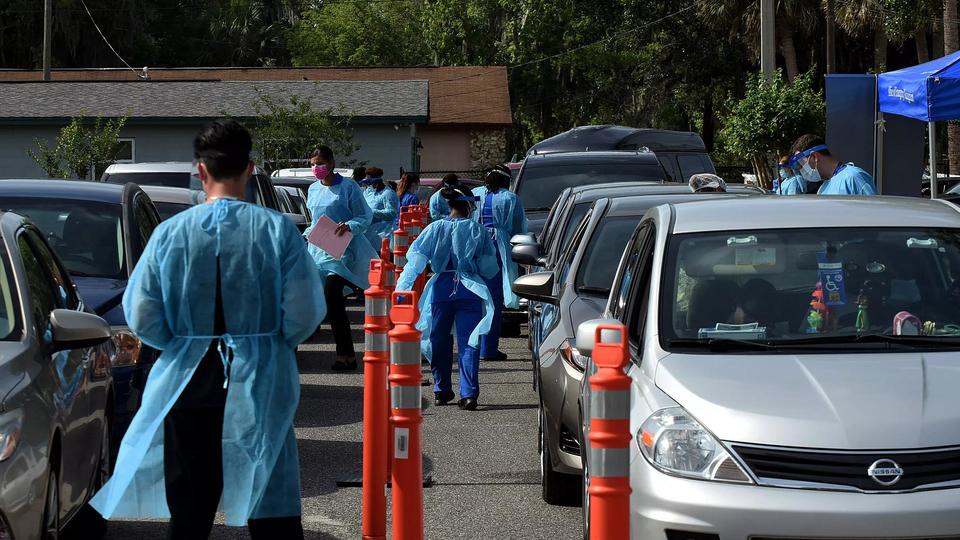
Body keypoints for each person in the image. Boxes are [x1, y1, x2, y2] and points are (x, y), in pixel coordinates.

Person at [90, 119, 325, 539]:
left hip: (187, 381)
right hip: (260, 378)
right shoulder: (276, 231)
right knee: (272, 509)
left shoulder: (170, 234)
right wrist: (269, 342)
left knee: (191, 511)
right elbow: (305, 312)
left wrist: (183, 344)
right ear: (250, 169)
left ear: (200, 171)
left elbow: (142, 314)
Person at [397, 186, 499, 410]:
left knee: (439, 340)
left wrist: (401, 289)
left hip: (441, 289)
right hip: (470, 290)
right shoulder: (477, 230)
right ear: (468, 205)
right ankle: (469, 393)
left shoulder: (434, 228)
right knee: (469, 342)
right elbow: (489, 267)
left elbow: (415, 261)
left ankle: (441, 390)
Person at [306, 145, 378, 371]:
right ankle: (346, 355)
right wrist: (307, 234)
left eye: (320, 163)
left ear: (332, 163)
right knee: (331, 303)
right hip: (319, 250)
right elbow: (314, 221)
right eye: (312, 164)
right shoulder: (312, 189)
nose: (316, 168)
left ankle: (345, 354)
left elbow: (364, 216)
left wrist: (349, 225)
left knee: (332, 295)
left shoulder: (349, 187)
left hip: (344, 251)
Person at [473, 164, 527, 361]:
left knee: (476, 297)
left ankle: (474, 346)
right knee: (493, 300)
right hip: (497, 249)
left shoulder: (475, 193)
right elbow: (518, 228)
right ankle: (488, 349)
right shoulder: (510, 198)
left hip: (474, 246)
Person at [789, 134, 877, 195]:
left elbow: (875, 213)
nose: (801, 170)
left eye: (801, 165)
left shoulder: (854, 177)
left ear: (814, 157)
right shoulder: (822, 189)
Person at [361, 166, 400, 249]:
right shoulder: (368, 192)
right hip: (369, 236)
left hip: (383, 237)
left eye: (369, 182)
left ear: (377, 181)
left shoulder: (388, 194)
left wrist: (373, 212)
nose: (368, 185)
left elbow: (392, 213)